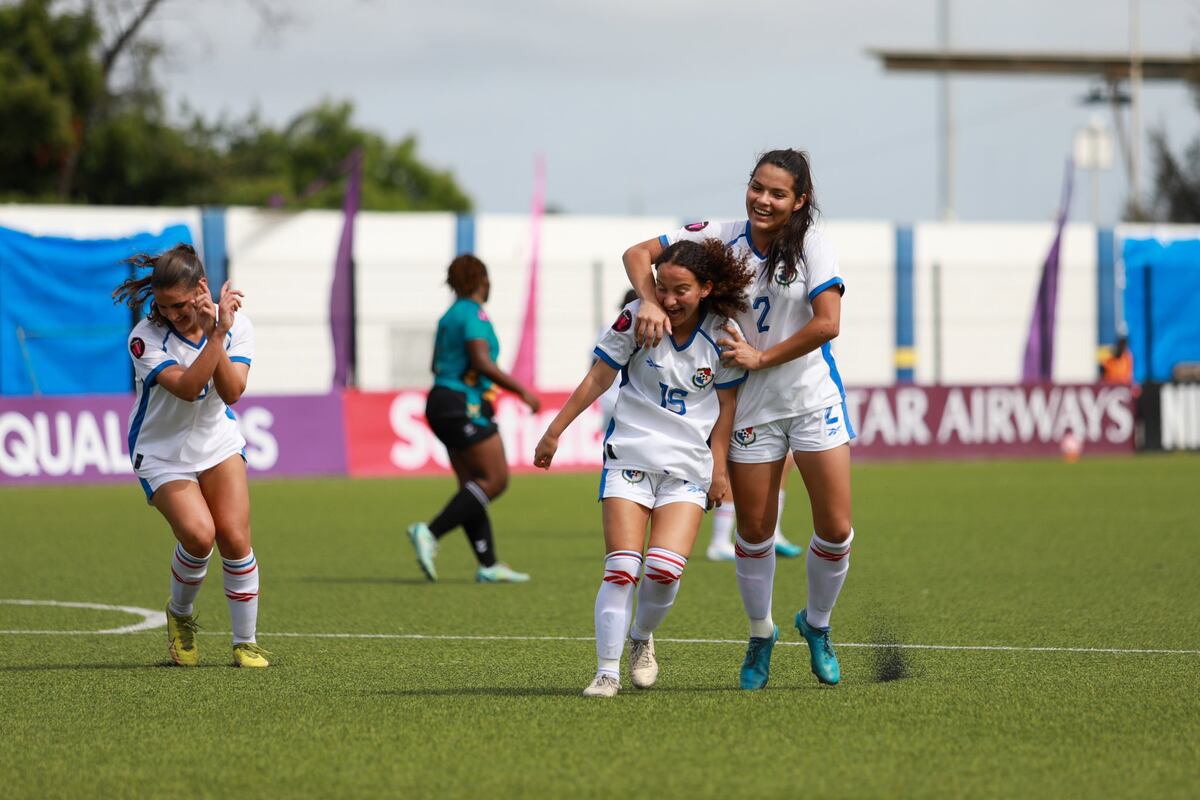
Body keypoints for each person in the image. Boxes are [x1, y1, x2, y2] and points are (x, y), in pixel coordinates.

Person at [623, 149, 855, 688]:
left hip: (812, 397)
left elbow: (828, 324)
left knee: (836, 529)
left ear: (799, 201)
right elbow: (638, 253)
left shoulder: (814, 245)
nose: (763, 201)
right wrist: (649, 302)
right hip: (750, 407)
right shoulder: (718, 237)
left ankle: (816, 625)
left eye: (778, 194)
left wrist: (762, 358)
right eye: (757, 188)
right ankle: (760, 635)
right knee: (753, 531)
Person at [535, 239, 752, 697]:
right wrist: (555, 430)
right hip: (630, 457)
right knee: (621, 569)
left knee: (663, 570)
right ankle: (606, 672)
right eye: (662, 288)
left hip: (688, 469)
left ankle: (641, 637)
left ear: (706, 288)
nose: (670, 300)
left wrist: (720, 469)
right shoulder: (635, 318)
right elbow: (598, 376)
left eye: (682, 290)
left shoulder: (724, 333)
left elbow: (726, 408)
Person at [112, 243, 269, 668]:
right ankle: (179, 616)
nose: (172, 314)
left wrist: (219, 328)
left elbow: (233, 391)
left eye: (180, 305)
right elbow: (187, 388)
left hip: (216, 441)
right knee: (199, 536)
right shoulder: (145, 337)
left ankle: (245, 642)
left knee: (235, 538)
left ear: (201, 287)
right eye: (163, 306)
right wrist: (216, 334)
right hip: (161, 451)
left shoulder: (240, 326)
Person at [407, 254, 539, 583]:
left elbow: (437, 364)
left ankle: (488, 563)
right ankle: (430, 532)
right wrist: (521, 390)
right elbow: (481, 360)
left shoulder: (449, 315)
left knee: (472, 486)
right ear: (483, 280)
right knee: (495, 480)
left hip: (440, 401)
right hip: (461, 404)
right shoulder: (474, 313)